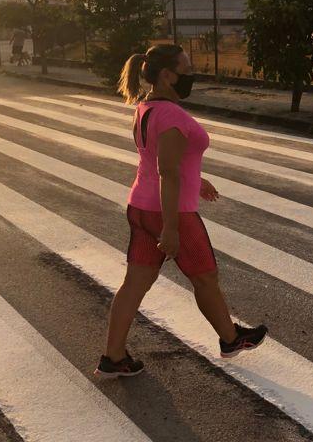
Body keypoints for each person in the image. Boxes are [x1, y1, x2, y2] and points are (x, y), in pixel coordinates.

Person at [95, 44, 268, 378]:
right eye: (186, 70)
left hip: (141, 206)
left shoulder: (146, 107)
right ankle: (231, 338)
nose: (192, 76)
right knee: (205, 278)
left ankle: (113, 357)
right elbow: (168, 172)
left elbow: (162, 159)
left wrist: (197, 179)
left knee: (134, 284)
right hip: (170, 212)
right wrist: (171, 228)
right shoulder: (172, 115)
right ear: (167, 75)